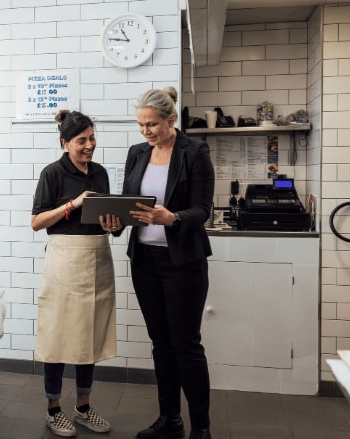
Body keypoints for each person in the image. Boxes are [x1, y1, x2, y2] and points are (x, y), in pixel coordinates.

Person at [103, 87, 214, 439]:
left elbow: (203, 210)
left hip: (183, 262)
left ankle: (201, 427)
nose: (146, 131)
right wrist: (116, 221)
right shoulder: (138, 153)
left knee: (186, 345)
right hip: (145, 261)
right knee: (161, 344)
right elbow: (129, 203)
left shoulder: (195, 151)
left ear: (171, 119)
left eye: (151, 124)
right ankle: (170, 420)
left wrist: (173, 218)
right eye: (141, 125)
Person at [31, 109, 121, 437]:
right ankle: (54, 409)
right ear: (64, 142)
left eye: (92, 138)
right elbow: (37, 221)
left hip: (98, 259)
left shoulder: (100, 173)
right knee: (58, 336)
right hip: (64, 262)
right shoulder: (52, 173)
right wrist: (73, 204)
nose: (88, 145)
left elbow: (109, 221)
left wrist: (116, 225)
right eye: (81, 140)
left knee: (89, 335)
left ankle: (83, 407)